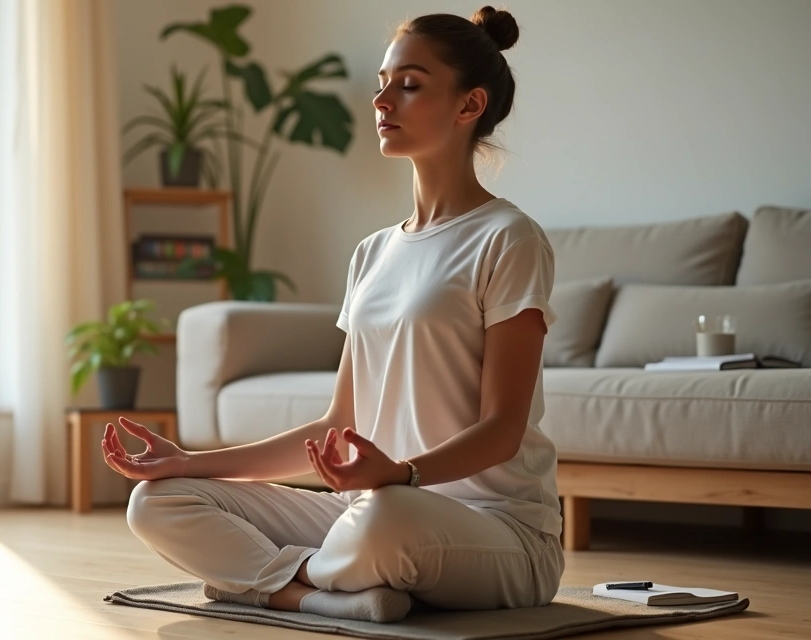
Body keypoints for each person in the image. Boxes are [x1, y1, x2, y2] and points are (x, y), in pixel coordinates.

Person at [100, 5, 564, 624]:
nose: (382, 100)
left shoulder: (509, 238)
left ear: (468, 105)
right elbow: (336, 424)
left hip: (496, 532)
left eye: (409, 84)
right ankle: (311, 595)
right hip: (377, 511)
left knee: (384, 517)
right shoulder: (372, 252)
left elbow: (503, 428)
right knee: (156, 501)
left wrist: (401, 474)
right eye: (382, 83)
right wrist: (189, 462)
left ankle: (258, 583)